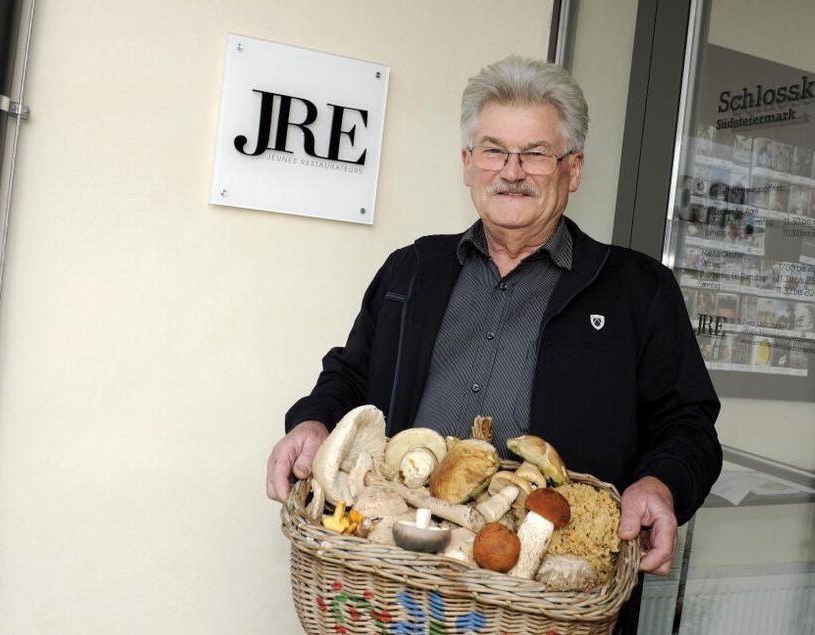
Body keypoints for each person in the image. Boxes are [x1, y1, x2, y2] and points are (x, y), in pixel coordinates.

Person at [266, 55, 721, 629]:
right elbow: (351, 376)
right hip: (400, 579)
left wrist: (662, 482)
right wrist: (311, 421)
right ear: (467, 163)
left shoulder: (637, 289)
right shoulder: (411, 271)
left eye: (535, 152)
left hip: (552, 602)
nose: (512, 171)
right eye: (493, 150)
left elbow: (689, 421)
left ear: (572, 169)